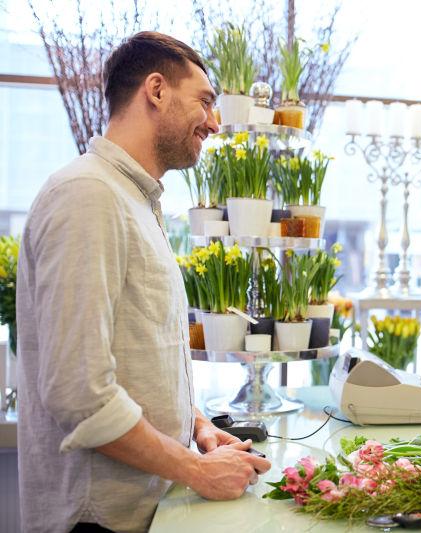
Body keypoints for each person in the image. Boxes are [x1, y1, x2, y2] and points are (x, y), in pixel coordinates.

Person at [16, 31, 271, 533]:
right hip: (98, 521)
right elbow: (79, 395)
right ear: (156, 90)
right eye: (204, 101)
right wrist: (196, 470)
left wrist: (195, 426)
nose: (215, 123)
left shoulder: (133, 200)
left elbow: (139, 356)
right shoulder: (87, 195)